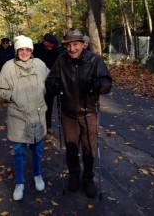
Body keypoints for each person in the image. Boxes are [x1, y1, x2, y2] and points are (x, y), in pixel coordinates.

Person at [45, 28, 112, 198]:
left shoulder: (95, 60)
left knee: (89, 148)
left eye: (75, 44)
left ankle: (88, 178)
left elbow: (107, 81)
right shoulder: (61, 61)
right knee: (71, 148)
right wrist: (54, 86)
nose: (72, 49)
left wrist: (100, 85)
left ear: (83, 44)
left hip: (89, 112)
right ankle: (74, 174)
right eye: (68, 45)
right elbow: (50, 81)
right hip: (68, 114)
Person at [0, 35, 48, 201]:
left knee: (38, 149)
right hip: (18, 116)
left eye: (27, 49)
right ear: (16, 51)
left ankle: (37, 175)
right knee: (19, 151)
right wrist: (13, 96)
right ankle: (19, 182)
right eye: (21, 49)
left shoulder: (39, 64)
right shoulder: (9, 66)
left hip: (38, 114)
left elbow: (51, 79)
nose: (24, 52)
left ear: (31, 50)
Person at [33, 33, 59, 134]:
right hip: (35, 81)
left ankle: (48, 125)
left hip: (49, 81)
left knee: (48, 104)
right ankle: (36, 124)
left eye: (53, 44)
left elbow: (57, 66)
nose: (51, 45)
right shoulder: (35, 48)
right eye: (49, 43)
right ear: (44, 41)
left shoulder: (55, 51)